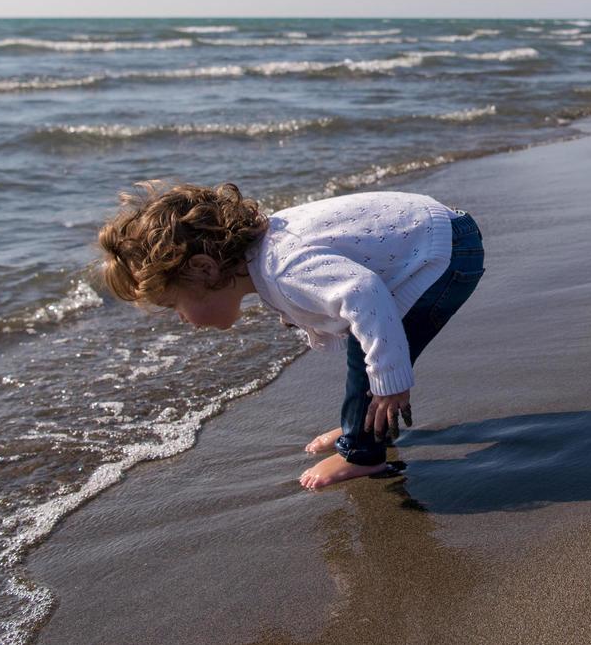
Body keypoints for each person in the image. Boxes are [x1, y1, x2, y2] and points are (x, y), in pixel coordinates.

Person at [97, 182, 485, 490]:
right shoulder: (264, 256)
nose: (181, 318)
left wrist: (390, 381)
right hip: (434, 235)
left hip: (445, 254)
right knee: (365, 344)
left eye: (174, 305)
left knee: (375, 361)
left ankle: (363, 454)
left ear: (204, 269)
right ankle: (360, 429)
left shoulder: (284, 268)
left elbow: (363, 292)